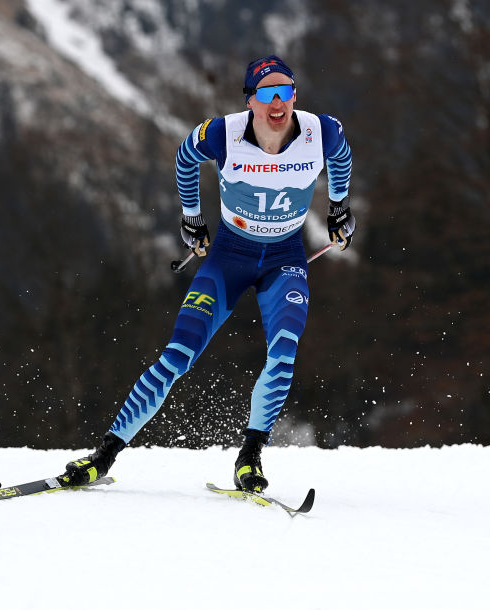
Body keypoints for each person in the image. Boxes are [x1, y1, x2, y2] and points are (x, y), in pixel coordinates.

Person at [58, 55, 355, 492]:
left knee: (285, 350)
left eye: (286, 92)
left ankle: (250, 457)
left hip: (285, 258)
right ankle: (103, 456)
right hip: (229, 257)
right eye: (267, 95)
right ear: (250, 101)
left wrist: (338, 208)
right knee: (178, 355)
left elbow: (342, 157)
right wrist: (192, 219)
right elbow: (184, 159)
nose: (278, 104)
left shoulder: (320, 130)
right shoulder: (223, 134)